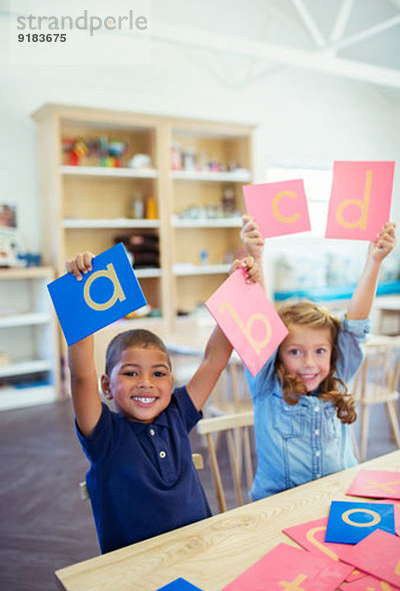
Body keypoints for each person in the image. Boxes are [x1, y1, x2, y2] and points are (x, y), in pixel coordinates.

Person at [66, 250, 260, 553]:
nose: (146, 382)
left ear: (171, 382)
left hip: (199, 552)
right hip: (136, 569)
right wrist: (80, 294)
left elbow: (214, 360)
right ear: (106, 385)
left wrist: (237, 291)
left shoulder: (177, 412)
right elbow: (81, 376)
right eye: (130, 373)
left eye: (159, 373)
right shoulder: (103, 434)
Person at [240, 215, 396, 500]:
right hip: (278, 506)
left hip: (340, 497)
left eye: (319, 351)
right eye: (295, 352)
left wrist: (374, 262)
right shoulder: (267, 386)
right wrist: (257, 258)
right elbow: (262, 329)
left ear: (332, 353)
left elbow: (356, 323)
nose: (309, 363)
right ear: (278, 354)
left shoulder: (337, 374)